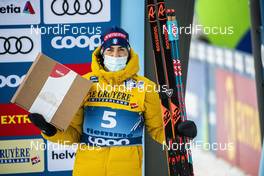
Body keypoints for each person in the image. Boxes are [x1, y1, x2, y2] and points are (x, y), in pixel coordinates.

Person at [29, 26, 197, 176]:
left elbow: (159, 130)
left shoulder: (145, 87)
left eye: (121, 50)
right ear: (102, 53)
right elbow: (74, 135)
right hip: (87, 170)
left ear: (129, 52)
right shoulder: (84, 84)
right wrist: (49, 130)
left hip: (127, 171)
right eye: (110, 50)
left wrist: (179, 133)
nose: (116, 55)